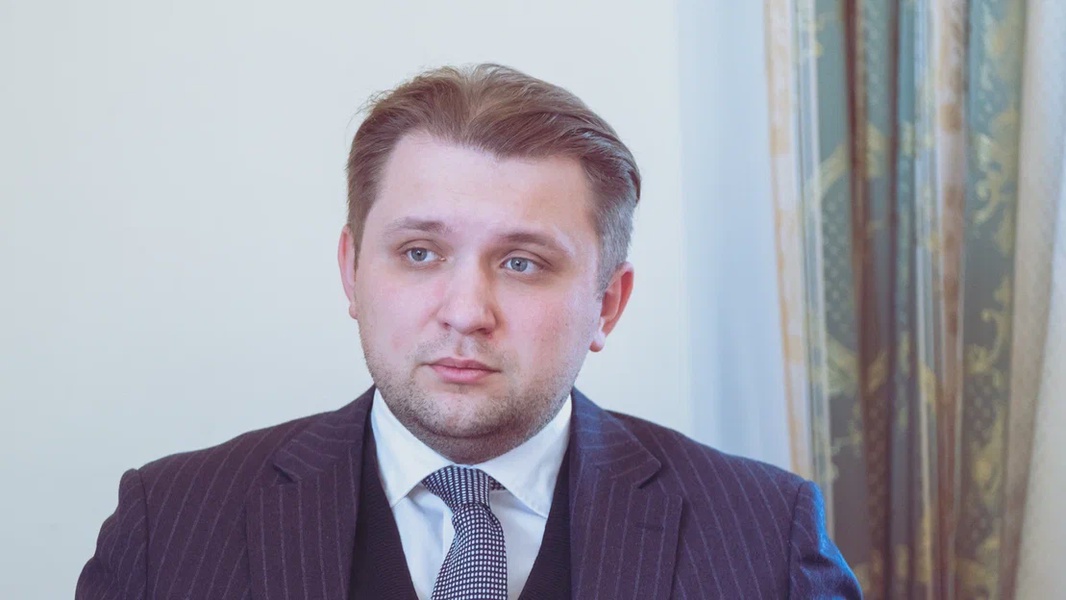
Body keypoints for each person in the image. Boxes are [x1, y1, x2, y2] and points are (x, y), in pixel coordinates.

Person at [77, 64, 861, 599]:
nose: (465, 310)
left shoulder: (765, 537)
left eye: (522, 263)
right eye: (420, 253)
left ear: (608, 304)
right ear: (352, 272)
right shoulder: (166, 526)